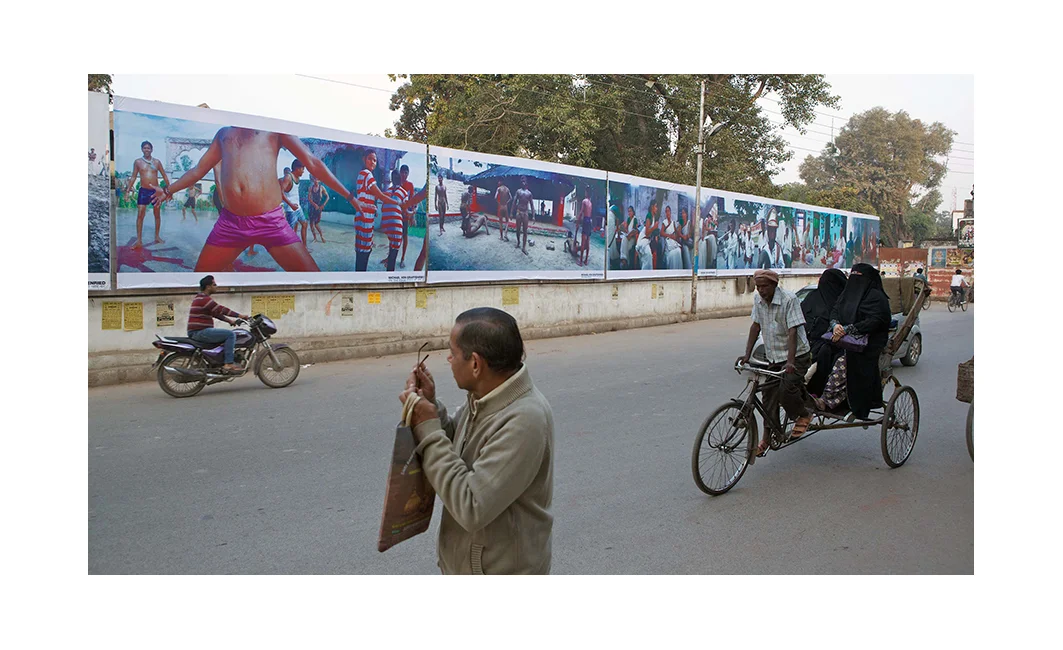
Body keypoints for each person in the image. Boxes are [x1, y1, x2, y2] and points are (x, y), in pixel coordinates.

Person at [398, 307, 554, 574]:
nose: (448, 359)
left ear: (475, 364)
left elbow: (472, 506)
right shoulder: (485, 397)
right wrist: (432, 406)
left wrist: (427, 426)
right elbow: (455, 448)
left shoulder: (524, 419)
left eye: (453, 352)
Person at [154, 127, 358, 272]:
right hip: (231, 223)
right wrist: (168, 190)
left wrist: (349, 196)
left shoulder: (275, 129)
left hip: (271, 222)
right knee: (199, 284)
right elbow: (199, 169)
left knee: (312, 279)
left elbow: (313, 163)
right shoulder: (224, 133)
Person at [737, 269, 814, 454]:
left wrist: (790, 362)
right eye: (758, 287)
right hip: (774, 356)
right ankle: (767, 438)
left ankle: (804, 413)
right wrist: (747, 355)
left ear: (774, 285)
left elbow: (793, 332)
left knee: (785, 390)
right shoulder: (758, 300)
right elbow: (755, 326)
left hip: (797, 356)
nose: (761, 290)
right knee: (768, 397)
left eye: (764, 286)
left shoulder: (789, 299)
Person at [813, 263, 892, 420]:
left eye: (859, 277)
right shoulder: (846, 294)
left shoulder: (877, 298)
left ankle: (827, 400)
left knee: (845, 361)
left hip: (868, 343)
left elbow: (875, 321)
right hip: (843, 339)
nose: (855, 280)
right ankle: (814, 392)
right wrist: (835, 325)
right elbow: (835, 310)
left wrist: (847, 330)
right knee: (823, 352)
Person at [187, 275, 250, 374]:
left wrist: (230, 321)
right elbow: (220, 309)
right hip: (199, 332)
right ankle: (229, 363)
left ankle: (219, 362)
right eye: (214, 284)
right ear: (208, 287)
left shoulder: (200, 298)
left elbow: (215, 313)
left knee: (225, 336)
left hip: (198, 331)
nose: (216, 286)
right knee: (230, 334)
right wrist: (240, 315)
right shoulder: (204, 299)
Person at [353, 149, 402, 272]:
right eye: (370, 158)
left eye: (375, 160)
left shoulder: (361, 174)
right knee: (364, 252)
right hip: (365, 218)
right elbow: (379, 195)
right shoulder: (367, 174)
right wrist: (397, 202)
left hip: (362, 216)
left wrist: (384, 195)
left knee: (361, 250)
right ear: (364, 159)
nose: (373, 162)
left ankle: (359, 275)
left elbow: (373, 193)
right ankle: (360, 277)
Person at [803, 268, 848, 396]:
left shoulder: (841, 303)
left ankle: (818, 393)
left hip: (828, 344)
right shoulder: (812, 297)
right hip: (807, 343)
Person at [124, 140, 171, 250]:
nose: (146, 150)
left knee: (157, 214)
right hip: (143, 191)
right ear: (142, 149)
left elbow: (164, 175)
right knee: (140, 214)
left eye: (148, 148)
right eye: (144, 148)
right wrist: (128, 190)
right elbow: (133, 176)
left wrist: (169, 190)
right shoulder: (138, 162)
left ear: (152, 150)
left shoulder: (157, 162)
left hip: (155, 191)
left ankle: (157, 236)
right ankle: (139, 240)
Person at [280, 160, 309, 246]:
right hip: (291, 209)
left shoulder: (297, 177)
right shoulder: (288, 177)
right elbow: (281, 193)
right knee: (290, 232)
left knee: (304, 223)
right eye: (302, 169)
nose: (303, 171)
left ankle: (304, 246)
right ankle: (287, 250)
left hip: (298, 208)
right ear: (297, 168)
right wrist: (291, 205)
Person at [398, 164, 417, 269]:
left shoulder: (410, 185)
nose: (404, 174)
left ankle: (402, 258)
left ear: (408, 174)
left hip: (405, 215)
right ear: (400, 173)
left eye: (406, 172)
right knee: (395, 236)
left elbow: (413, 200)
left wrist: (412, 216)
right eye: (402, 172)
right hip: (396, 214)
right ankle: (391, 256)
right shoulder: (397, 184)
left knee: (405, 236)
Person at [573, 186, 594, 266]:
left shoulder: (584, 201)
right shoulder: (590, 203)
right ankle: (585, 261)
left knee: (583, 241)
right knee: (587, 242)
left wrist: (578, 223)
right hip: (589, 221)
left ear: (586, 193)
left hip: (585, 220)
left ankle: (580, 262)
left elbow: (581, 212)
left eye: (585, 192)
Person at [513, 176, 534, 255]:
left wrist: (533, 215)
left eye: (524, 180)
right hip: (518, 212)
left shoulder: (529, 193)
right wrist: (511, 213)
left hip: (525, 213)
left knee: (525, 231)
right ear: (520, 182)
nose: (523, 181)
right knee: (518, 230)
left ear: (526, 182)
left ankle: (524, 247)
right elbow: (514, 202)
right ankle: (518, 242)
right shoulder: (518, 191)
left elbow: (532, 205)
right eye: (521, 180)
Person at [306, 176, 329, 243]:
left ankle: (322, 236)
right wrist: (314, 204)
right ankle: (315, 238)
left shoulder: (321, 188)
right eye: (314, 179)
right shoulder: (311, 188)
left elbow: (327, 197)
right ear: (313, 180)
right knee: (311, 223)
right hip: (312, 207)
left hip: (319, 207)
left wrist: (323, 205)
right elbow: (309, 198)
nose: (316, 181)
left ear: (319, 180)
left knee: (316, 223)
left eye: (317, 179)